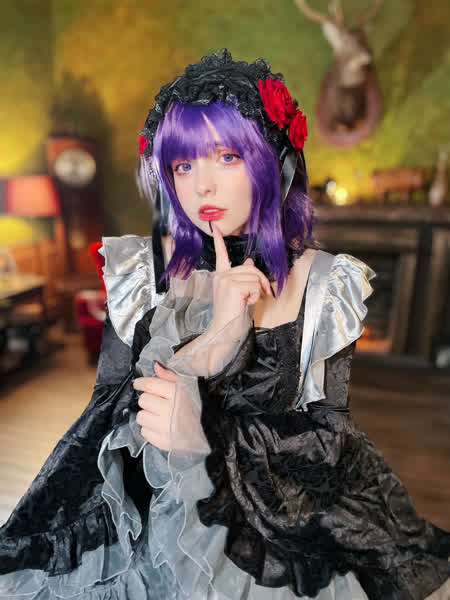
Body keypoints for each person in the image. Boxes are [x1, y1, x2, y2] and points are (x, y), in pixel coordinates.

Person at [0, 49, 449, 600]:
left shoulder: (324, 282)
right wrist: (217, 337)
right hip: (146, 514)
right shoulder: (143, 268)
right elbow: (113, 414)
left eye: (227, 157)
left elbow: (324, 445)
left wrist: (201, 441)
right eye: (183, 166)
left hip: (266, 520)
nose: (201, 188)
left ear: (273, 161)